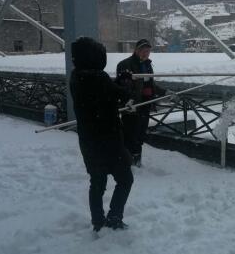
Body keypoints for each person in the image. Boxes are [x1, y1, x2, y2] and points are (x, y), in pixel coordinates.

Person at [70, 36, 134, 231]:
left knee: (97, 182)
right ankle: (114, 217)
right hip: (109, 140)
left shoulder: (76, 76)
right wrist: (126, 81)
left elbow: (105, 93)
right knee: (125, 179)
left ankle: (98, 221)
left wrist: (117, 82)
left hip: (89, 140)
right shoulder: (99, 77)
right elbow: (122, 95)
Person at [116, 39, 166, 167]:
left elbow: (151, 84)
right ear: (136, 50)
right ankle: (127, 163)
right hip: (132, 107)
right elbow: (123, 86)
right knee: (130, 135)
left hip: (145, 105)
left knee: (140, 135)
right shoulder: (125, 64)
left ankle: (136, 161)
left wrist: (164, 92)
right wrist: (129, 100)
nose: (146, 53)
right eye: (143, 50)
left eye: (148, 51)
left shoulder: (147, 65)